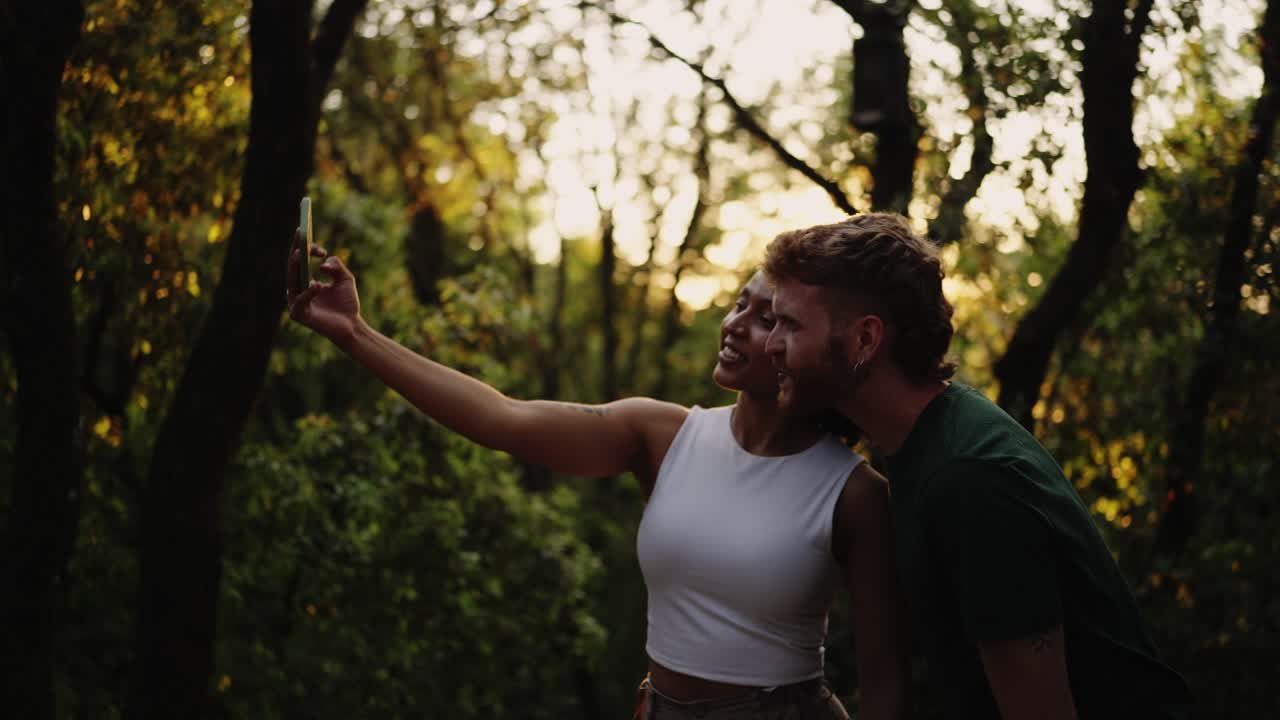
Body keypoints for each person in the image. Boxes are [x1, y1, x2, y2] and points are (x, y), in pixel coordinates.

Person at [285, 232, 907, 719]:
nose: (737, 325)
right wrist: (354, 332)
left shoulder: (854, 494)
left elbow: (885, 679)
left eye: (770, 318)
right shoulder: (662, 437)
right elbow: (503, 417)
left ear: (811, 340)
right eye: (738, 303)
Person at [760, 212, 1195, 719]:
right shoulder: (924, 438)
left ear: (864, 341)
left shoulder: (970, 477)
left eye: (790, 324)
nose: (771, 344)